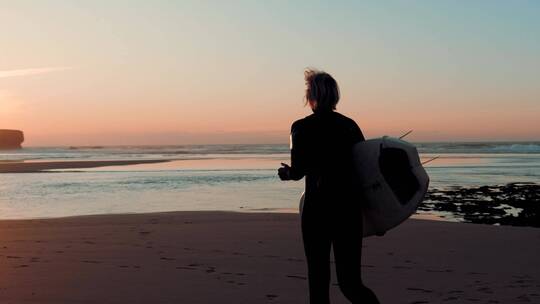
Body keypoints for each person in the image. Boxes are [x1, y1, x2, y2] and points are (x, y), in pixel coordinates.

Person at [278, 69, 380, 304]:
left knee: (318, 282)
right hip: (348, 210)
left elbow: (299, 170)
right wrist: (378, 214)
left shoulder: (300, 127)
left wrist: (287, 173)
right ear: (334, 96)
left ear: (311, 95)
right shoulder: (349, 126)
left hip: (317, 210)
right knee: (351, 283)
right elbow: (366, 170)